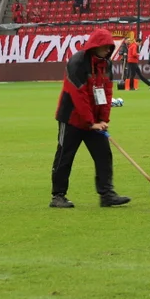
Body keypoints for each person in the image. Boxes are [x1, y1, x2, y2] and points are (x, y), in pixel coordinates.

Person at [50, 28, 131, 209]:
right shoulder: (78, 62)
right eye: (105, 47)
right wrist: (90, 122)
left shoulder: (106, 64)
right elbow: (78, 95)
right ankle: (58, 196)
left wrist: (103, 120)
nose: (108, 50)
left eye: (109, 47)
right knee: (65, 156)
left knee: (104, 155)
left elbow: (107, 92)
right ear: (95, 45)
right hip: (71, 118)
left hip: (94, 121)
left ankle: (106, 194)